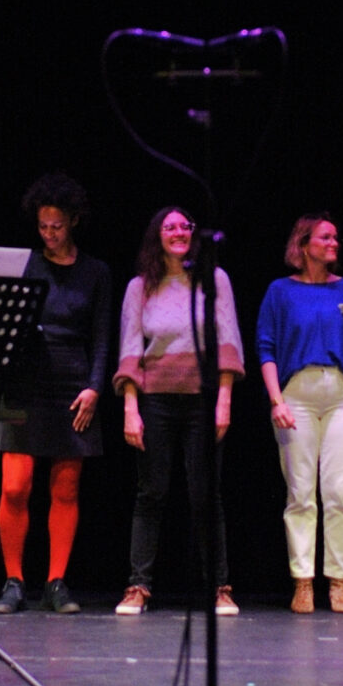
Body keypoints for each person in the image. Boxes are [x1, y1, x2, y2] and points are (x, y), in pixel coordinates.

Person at [0, 174, 113, 616]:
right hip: (24, 383)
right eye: (43, 227)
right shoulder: (25, 265)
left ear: (74, 222)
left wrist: (95, 387)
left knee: (65, 489)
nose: (49, 234)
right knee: (15, 487)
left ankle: (56, 581)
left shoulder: (96, 272)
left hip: (72, 386)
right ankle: (13, 581)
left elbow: (102, 337)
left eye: (57, 227)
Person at [114, 205, 241, 617]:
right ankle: (138, 586)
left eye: (185, 226)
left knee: (206, 495)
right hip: (156, 399)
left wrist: (224, 401)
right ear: (157, 236)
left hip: (202, 398)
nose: (178, 232)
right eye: (169, 227)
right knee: (151, 494)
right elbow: (131, 348)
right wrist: (131, 409)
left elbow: (228, 341)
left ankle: (220, 587)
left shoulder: (214, 280)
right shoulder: (140, 287)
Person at [257, 211, 343, 615]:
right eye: (325, 238)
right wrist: (277, 401)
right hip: (297, 394)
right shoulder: (280, 291)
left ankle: (339, 580)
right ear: (304, 244)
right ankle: (303, 580)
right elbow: (266, 348)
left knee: (341, 491)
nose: (334, 244)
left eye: (336, 238)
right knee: (300, 492)